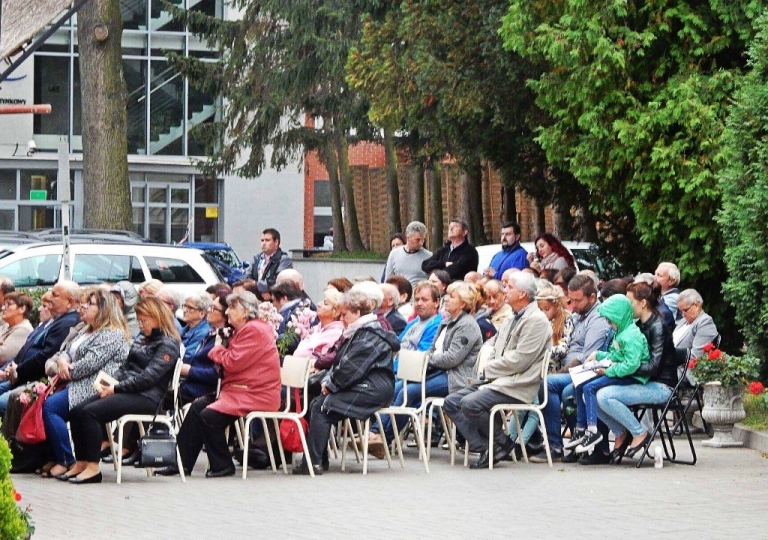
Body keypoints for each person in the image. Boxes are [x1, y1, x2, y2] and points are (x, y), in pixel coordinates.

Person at [158, 291, 282, 478]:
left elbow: (231, 363)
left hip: (255, 393)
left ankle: (223, 465)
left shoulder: (254, 329)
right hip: (239, 390)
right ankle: (181, 463)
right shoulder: (245, 329)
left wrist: (217, 347)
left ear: (246, 311)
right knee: (198, 407)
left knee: (209, 416)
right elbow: (228, 364)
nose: (227, 312)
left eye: (233, 307)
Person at [63, 296, 181, 484]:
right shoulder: (142, 338)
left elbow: (149, 378)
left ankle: (93, 468)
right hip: (127, 390)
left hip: (148, 397)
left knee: (91, 413)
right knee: (77, 410)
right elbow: (125, 368)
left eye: (144, 320)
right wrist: (109, 383)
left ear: (158, 317)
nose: (140, 325)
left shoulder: (168, 344)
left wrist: (116, 388)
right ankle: (82, 462)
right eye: (139, 320)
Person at [443, 272, 551, 469]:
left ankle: (498, 444)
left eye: (509, 287)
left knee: (469, 403)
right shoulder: (512, 317)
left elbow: (521, 360)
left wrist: (489, 368)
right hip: (498, 381)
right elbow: (493, 346)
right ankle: (491, 445)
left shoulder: (537, 321)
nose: (504, 290)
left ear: (522, 293)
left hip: (518, 384)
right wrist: (490, 366)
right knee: (451, 402)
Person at [367, 281, 483, 456]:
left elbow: (452, 358)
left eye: (452, 296)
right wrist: (426, 358)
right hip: (437, 371)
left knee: (411, 392)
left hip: (455, 377)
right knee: (398, 387)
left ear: (464, 303)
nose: (447, 300)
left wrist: (425, 359)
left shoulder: (466, 325)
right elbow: (432, 350)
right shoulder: (448, 322)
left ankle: (384, 437)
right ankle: (378, 434)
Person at [293, 290, 400, 475]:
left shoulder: (369, 334)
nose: (341, 318)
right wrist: (328, 382)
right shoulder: (358, 331)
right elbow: (341, 364)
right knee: (314, 396)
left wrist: (331, 385)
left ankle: (313, 463)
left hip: (374, 389)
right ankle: (317, 460)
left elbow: (352, 368)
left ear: (357, 313)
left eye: (344, 314)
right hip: (363, 384)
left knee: (322, 405)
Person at [41, 289, 131, 479]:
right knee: (42, 402)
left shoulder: (112, 334)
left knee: (51, 407)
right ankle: (66, 459)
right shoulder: (86, 329)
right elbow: (65, 350)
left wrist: (64, 368)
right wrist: (62, 362)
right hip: (75, 381)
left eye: (90, 304)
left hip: (94, 385)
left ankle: (66, 458)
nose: (85, 307)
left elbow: (89, 365)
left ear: (104, 309)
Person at [530, 274, 612, 464]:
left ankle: (557, 445)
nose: (572, 305)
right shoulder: (577, 315)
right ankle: (568, 444)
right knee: (551, 385)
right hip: (570, 370)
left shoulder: (598, 319)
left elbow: (586, 357)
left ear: (592, 297)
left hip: (586, 370)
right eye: (570, 300)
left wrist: (559, 373)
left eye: (577, 300)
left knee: (549, 384)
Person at [596, 281, 677, 462]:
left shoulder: (658, 327)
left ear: (643, 303)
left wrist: (617, 368)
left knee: (604, 396)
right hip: (641, 381)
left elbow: (653, 367)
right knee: (595, 395)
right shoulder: (638, 325)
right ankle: (621, 432)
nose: (627, 306)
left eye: (630, 302)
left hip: (661, 386)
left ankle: (639, 433)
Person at [565, 294, 649, 455]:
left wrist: (608, 370)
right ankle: (581, 427)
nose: (608, 324)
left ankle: (591, 429)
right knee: (580, 383)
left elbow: (631, 364)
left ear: (618, 316)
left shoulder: (631, 335)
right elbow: (615, 354)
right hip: (619, 371)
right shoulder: (621, 331)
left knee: (589, 388)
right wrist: (598, 355)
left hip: (631, 376)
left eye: (610, 320)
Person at [0, 281, 81, 414]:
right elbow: (28, 347)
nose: (50, 298)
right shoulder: (55, 320)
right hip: (20, 376)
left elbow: (45, 355)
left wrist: (18, 370)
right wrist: (12, 367)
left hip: (34, 380)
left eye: (55, 295)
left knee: (2, 403)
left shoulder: (67, 323)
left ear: (70, 302)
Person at [178, 291, 229, 404]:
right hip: (190, 385)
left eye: (213, 308)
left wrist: (189, 370)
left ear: (225, 314)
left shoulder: (224, 338)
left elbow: (217, 374)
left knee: (155, 397)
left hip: (201, 391)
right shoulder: (211, 333)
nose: (208, 311)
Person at [293, 288, 345, 367]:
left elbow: (324, 362)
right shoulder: (317, 328)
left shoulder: (336, 333)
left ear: (336, 312)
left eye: (326, 304)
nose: (319, 304)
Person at [673, 289, 718, 366]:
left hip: (681, 370)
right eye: (681, 311)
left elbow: (696, 357)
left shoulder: (705, 322)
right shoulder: (684, 320)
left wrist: (670, 356)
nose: (683, 315)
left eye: (685, 310)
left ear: (696, 305)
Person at [384, 221, 432, 287]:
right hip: (399, 293)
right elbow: (388, 280)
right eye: (417, 240)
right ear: (408, 238)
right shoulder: (394, 254)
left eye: (423, 240)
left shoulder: (428, 256)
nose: (421, 243)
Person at [398, 282, 443, 352]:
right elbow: (397, 343)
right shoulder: (414, 321)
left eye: (424, 300)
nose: (419, 303)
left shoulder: (437, 325)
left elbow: (421, 356)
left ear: (436, 302)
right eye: (417, 300)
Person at [251, 228, 293, 294]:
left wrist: (255, 284)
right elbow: (247, 276)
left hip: (274, 297)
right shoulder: (256, 258)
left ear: (276, 242)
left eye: (267, 240)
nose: (263, 243)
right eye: (262, 240)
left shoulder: (284, 260)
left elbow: (278, 281)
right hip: (256, 296)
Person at [0, 292, 34, 365]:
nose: (3, 308)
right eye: (3, 305)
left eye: (8, 304)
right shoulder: (6, 326)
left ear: (22, 309)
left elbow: (2, 356)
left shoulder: (24, 330)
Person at [180, 292, 212, 363]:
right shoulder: (187, 328)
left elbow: (188, 357)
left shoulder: (203, 332)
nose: (184, 310)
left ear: (202, 313)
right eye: (184, 306)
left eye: (190, 308)